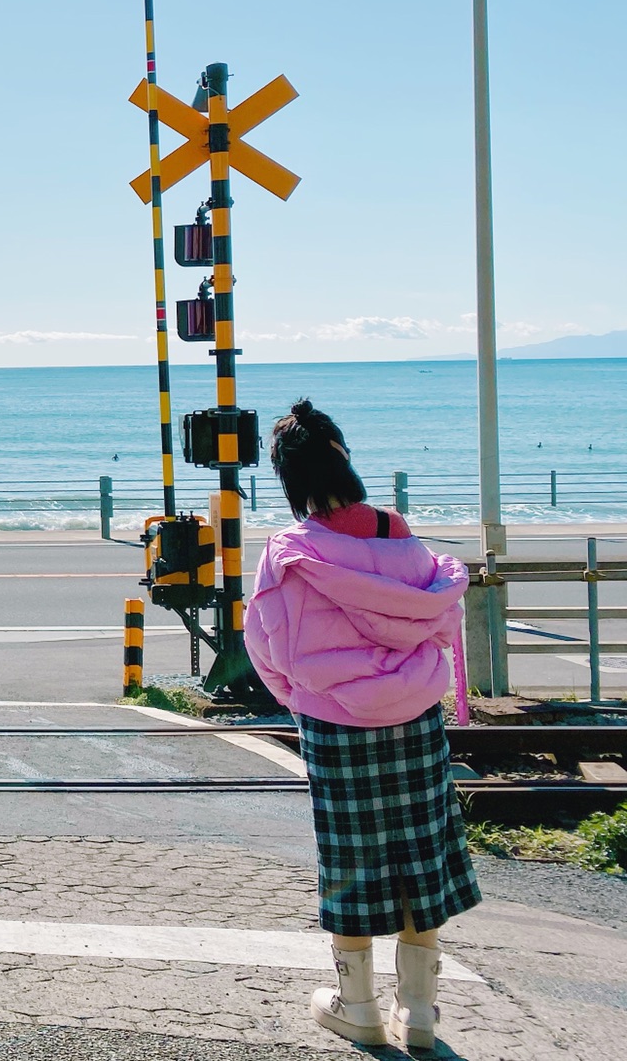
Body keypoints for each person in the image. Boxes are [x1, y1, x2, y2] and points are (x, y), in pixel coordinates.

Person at [244, 400, 478, 1053]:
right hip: (416, 715)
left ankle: (359, 1007)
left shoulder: (290, 553)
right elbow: (439, 622)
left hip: (335, 724)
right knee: (420, 854)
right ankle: (422, 1012)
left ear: (289, 481)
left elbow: (266, 645)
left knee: (351, 859)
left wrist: (307, 695)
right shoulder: (400, 536)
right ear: (345, 459)